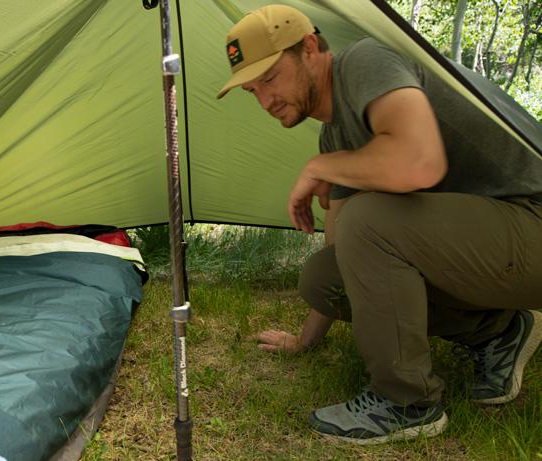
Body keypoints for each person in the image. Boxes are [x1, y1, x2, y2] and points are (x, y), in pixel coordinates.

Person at [217, 4, 542, 445]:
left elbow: (419, 161)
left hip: (532, 219)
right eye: (252, 91)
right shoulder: (336, 135)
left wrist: (321, 166)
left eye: (270, 78)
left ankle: (407, 402)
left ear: (310, 47)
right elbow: (347, 254)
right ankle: (499, 332)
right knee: (324, 278)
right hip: (495, 246)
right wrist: (305, 341)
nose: (266, 100)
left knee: (370, 219)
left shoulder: (366, 61)